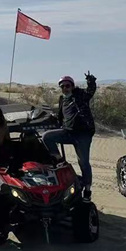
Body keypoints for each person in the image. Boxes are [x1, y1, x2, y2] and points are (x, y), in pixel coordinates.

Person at [41, 72, 97, 200]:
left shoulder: (80, 95)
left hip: (82, 134)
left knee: (83, 163)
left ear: (72, 86)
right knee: (47, 137)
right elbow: (60, 116)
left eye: (67, 86)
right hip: (68, 132)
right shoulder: (62, 99)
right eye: (62, 86)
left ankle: (87, 190)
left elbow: (90, 91)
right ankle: (60, 161)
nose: (65, 88)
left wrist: (91, 81)